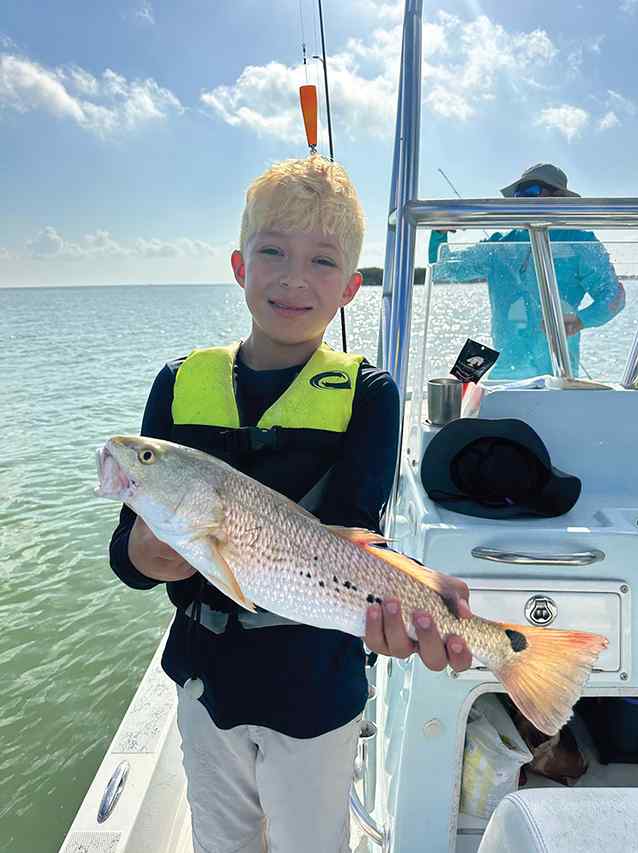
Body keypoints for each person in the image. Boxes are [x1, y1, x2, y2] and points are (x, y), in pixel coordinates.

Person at [109, 155, 472, 853]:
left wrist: (412, 593)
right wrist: (146, 552)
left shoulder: (368, 394)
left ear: (351, 288)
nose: (293, 278)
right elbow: (126, 554)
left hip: (315, 686)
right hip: (204, 681)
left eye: (322, 260)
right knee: (223, 842)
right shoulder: (177, 384)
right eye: (272, 251)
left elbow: (352, 538)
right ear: (240, 265)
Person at [429, 163, 625, 379]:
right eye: (517, 195)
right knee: (460, 394)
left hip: (556, 371)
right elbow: (443, 270)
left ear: (558, 197)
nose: (521, 199)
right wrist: (439, 233)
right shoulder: (499, 245)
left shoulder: (580, 241)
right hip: (503, 369)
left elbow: (614, 295)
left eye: (530, 191)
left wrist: (581, 320)